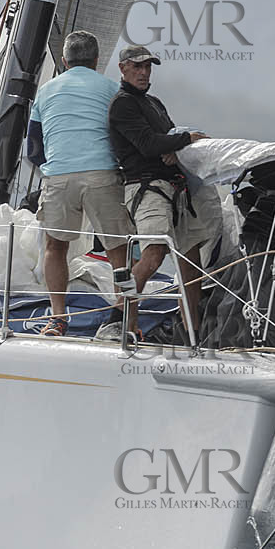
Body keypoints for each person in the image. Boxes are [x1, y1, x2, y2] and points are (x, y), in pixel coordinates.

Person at [25, 31, 133, 339]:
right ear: (97, 61)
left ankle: (57, 319)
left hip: (59, 176)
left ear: (64, 61)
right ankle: (122, 316)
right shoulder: (112, 88)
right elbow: (123, 134)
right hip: (102, 174)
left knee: (55, 247)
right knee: (118, 250)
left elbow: (33, 148)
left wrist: (56, 166)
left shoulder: (45, 92)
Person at [108, 44, 221, 333]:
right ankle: (122, 322)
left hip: (175, 190)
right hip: (146, 189)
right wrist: (186, 138)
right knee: (154, 254)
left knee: (190, 265)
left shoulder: (155, 103)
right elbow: (148, 144)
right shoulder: (122, 104)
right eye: (137, 67)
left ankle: (191, 334)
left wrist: (175, 147)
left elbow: (163, 139)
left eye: (148, 67)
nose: (144, 72)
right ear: (123, 69)